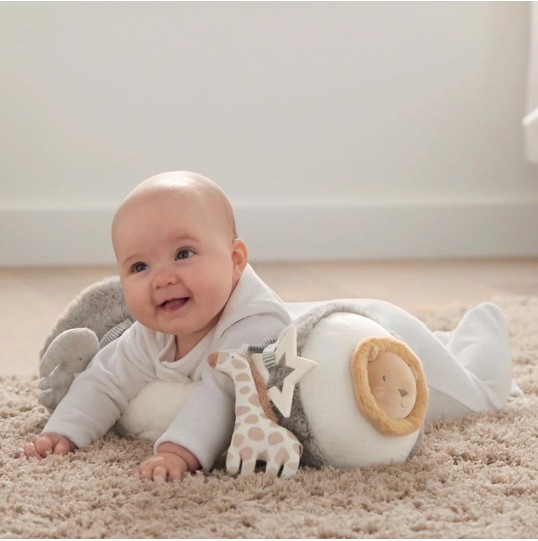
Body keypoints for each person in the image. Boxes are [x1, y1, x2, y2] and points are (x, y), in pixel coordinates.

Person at [20, 171, 291, 481]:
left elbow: (226, 392)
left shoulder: (256, 322)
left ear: (234, 260)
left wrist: (177, 451)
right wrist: (63, 432)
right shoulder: (152, 330)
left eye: (183, 254)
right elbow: (105, 379)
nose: (162, 278)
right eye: (140, 266)